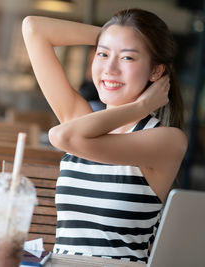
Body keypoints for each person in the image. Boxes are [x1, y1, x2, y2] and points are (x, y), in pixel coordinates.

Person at [22, 8, 187, 263]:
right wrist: (114, 36)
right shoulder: (82, 125)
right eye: (103, 54)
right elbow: (33, 28)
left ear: (156, 72)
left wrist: (141, 108)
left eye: (128, 58)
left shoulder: (167, 140)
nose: (110, 68)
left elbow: (61, 137)